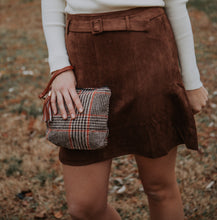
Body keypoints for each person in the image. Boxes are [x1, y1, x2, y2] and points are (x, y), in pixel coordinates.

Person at [41, 0, 209, 219]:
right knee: (84, 207)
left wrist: (192, 83)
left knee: (159, 187)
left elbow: (176, 6)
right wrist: (59, 68)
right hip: (84, 61)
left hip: (148, 53)